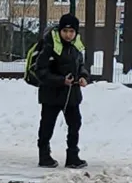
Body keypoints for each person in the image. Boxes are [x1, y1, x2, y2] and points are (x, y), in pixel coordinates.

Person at [33, 13, 90, 169]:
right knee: (47, 125)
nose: (68, 34)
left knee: (75, 124)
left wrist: (84, 77)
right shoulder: (50, 45)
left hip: (71, 94)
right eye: (65, 31)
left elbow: (81, 66)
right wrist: (61, 80)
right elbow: (40, 70)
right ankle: (44, 156)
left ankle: (72, 156)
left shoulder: (77, 47)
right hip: (51, 94)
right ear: (60, 30)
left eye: (72, 31)